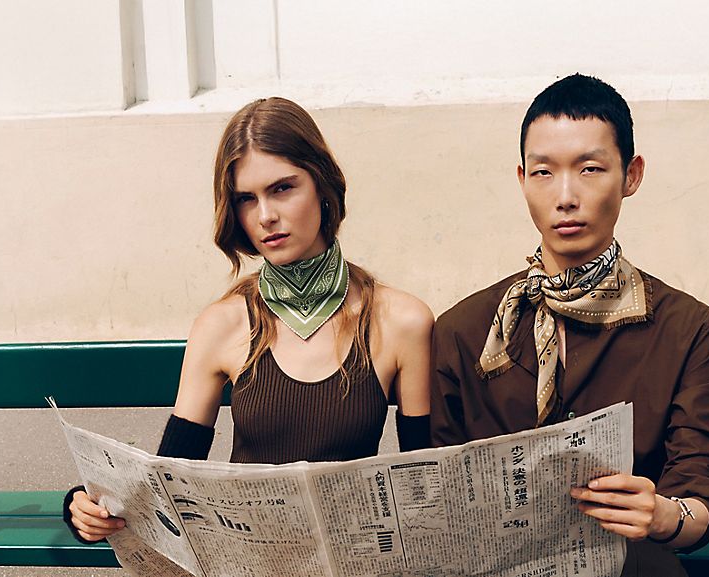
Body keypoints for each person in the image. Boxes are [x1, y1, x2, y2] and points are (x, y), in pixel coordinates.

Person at [65, 97, 434, 543]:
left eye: (283, 188)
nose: (265, 216)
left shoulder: (401, 321)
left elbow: (425, 484)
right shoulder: (222, 325)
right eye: (246, 199)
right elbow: (170, 477)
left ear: (322, 185)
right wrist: (85, 507)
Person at [430, 74, 709, 576]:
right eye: (543, 173)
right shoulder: (465, 330)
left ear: (631, 175)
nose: (565, 196)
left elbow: (700, 488)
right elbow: (438, 489)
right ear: (522, 179)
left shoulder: (686, 328)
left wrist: (661, 515)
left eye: (590, 169)